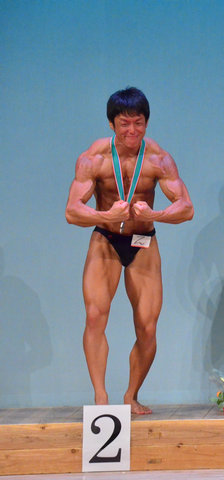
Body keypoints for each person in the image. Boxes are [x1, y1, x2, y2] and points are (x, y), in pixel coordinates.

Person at [65, 87, 194, 414]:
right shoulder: (94, 158)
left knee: (147, 326)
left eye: (138, 123)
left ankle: (131, 395)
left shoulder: (159, 159)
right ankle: (101, 399)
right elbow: (72, 211)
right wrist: (105, 216)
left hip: (143, 241)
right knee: (95, 316)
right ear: (112, 124)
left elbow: (186, 207)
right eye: (125, 124)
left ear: (146, 123)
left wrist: (156, 214)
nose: (132, 130)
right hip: (106, 239)